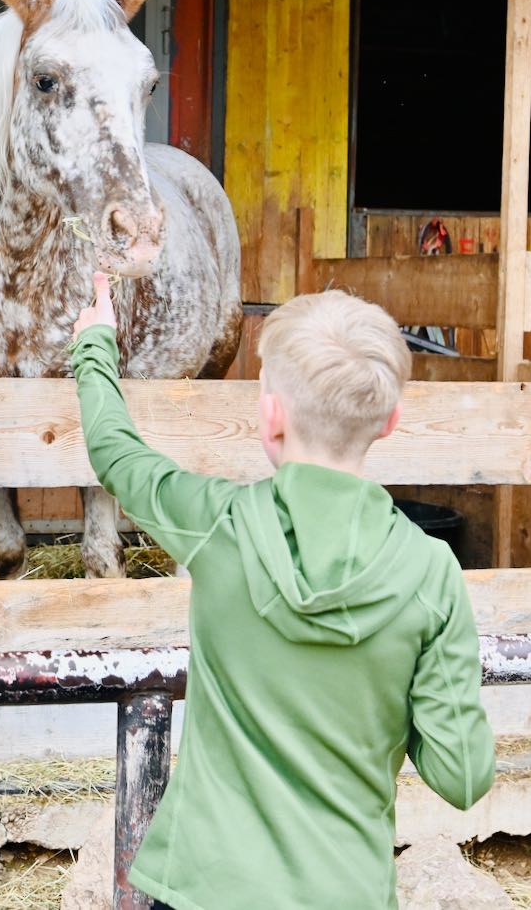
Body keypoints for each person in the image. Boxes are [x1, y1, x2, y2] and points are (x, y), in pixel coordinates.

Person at [70, 274, 495, 910]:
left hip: (207, 888)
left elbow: (116, 454)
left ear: (271, 416)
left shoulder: (217, 523)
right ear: (390, 421)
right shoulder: (430, 573)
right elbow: (461, 775)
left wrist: (95, 343)